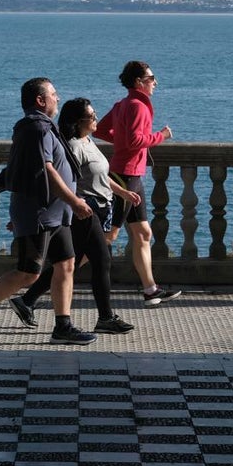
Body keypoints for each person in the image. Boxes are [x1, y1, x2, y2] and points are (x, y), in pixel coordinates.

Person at [0, 77, 96, 346]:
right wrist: (74, 201)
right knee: (28, 272)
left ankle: (62, 327)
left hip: (56, 215)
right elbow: (46, 169)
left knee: (66, 265)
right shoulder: (36, 128)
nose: (58, 98)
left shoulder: (43, 127)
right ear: (40, 100)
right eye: (53, 94)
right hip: (40, 213)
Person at [8, 97, 140, 334]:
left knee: (70, 262)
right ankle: (105, 318)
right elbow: (60, 182)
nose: (96, 118)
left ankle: (27, 300)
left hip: (100, 208)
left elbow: (100, 174)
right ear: (79, 122)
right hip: (84, 210)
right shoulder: (73, 146)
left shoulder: (87, 141)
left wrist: (122, 192)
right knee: (101, 260)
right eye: (92, 116)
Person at [93, 60, 182, 306]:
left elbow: (99, 130)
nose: (155, 82)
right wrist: (161, 136)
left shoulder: (123, 104)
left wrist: (120, 142)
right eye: (151, 78)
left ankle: (150, 290)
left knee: (143, 233)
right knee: (107, 236)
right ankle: (39, 288)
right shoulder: (138, 106)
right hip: (126, 176)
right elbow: (134, 141)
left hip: (132, 174)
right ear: (138, 82)